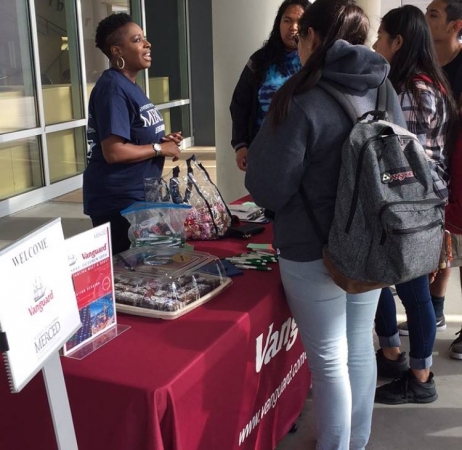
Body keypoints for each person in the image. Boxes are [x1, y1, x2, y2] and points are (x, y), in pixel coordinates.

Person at [246, 1, 406, 447]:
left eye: (301, 37)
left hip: (312, 248)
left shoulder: (301, 97)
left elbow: (270, 188)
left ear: (313, 38)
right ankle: (356, 441)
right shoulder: (381, 89)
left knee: (329, 361)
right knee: (358, 345)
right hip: (372, 242)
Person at [372, 5, 457, 404]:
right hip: (416, 204)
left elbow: (405, 157)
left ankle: (421, 376)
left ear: (398, 42)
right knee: (381, 279)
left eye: (381, 36)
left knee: (412, 291)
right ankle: (392, 354)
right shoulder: (420, 83)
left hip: (412, 205)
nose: (375, 44)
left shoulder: (413, 90)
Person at [83, 13, 182, 255]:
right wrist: (159, 149)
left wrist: (160, 141)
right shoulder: (112, 88)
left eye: (145, 39)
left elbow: (132, 136)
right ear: (117, 51)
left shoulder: (129, 85)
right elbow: (114, 152)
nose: (147, 44)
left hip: (136, 198)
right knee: (129, 278)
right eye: (137, 40)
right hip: (117, 202)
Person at [420, 0, 462, 360]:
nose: (425, 18)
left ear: (455, 26)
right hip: (435, 170)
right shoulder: (425, 66)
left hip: (461, 170)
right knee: (442, 243)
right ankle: (434, 308)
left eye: (433, 14)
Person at [230, 0, 310, 172]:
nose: (293, 27)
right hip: (264, 151)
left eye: (300, 22)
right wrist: (240, 144)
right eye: (287, 20)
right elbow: (239, 103)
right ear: (278, 23)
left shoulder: (316, 62)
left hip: (304, 156)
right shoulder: (260, 60)